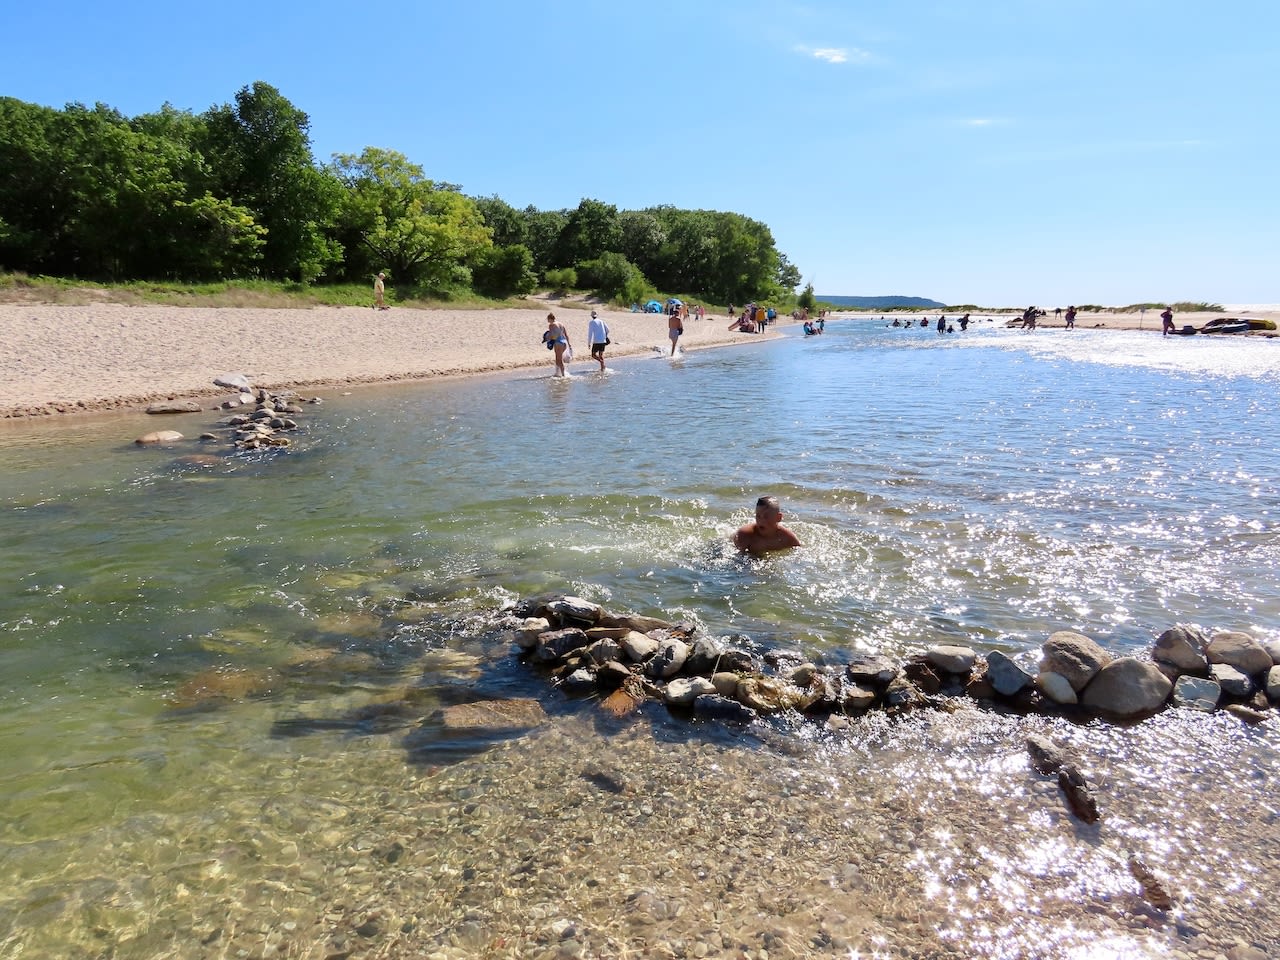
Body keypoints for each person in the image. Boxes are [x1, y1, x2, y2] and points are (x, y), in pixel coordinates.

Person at [732, 496, 802, 555]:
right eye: (758, 516)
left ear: (778, 518)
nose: (761, 521)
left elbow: (799, 552)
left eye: (766, 517)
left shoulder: (787, 538)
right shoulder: (745, 535)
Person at [542, 312, 571, 377]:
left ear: (550, 319)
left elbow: (553, 335)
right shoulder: (561, 324)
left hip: (558, 343)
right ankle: (558, 373)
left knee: (559, 360)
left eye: (548, 320)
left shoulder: (551, 325)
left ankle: (563, 375)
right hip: (564, 342)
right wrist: (569, 344)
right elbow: (566, 335)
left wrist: (547, 338)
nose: (548, 321)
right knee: (558, 359)